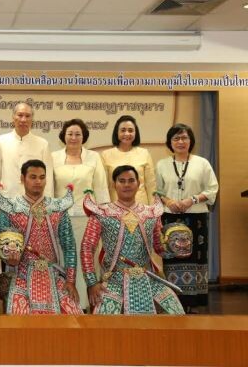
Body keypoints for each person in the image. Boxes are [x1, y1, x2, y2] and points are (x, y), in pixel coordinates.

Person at [81, 165, 185, 315]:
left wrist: (175, 247)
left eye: (131, 180)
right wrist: (91, 283)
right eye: (121, 181)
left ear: (138, 184)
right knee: (104, 324)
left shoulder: (151, 213)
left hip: (147, 277)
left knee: (176, 314)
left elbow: (159, 248)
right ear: (114, 185)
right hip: (114, 279)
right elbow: (87, 247)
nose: (127, 185)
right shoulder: (102, 213)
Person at [0, 159, 82, 315]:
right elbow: (2, 243)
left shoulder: (57, 208)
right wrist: (9, 259)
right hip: (20, 274)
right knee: (19, 318)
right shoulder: (10, 208)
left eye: (42, 177)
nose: (38, 181)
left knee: (73, 316)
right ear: (22, 179)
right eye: (33, 177)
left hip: (53, 275)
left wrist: (70, 280)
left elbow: (69, 246)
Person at [156, 123, 219, 313]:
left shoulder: (202, 163)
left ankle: (195, 301)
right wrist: (169, 201)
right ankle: (175, 301)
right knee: (173, 258)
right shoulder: (162, 164)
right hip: (170, 216)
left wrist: (191, 200)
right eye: (176, 138)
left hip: (197, 217)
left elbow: (212, 189)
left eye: (184, 138)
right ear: (170, 142)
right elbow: (157, 191)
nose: (181, 142)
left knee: (195, 258)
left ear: (191, 141)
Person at [51, 119, 110, 311]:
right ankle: (66, 303)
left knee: (87, 259)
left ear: (83, 137)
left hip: (88, 218)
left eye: (78, 134)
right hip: (61, 218)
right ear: (63, 136)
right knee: (64, 258)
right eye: (70, 134)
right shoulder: (53, 157)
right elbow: (49, 190)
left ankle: (86, 304)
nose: (74, 137)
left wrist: (105, 216)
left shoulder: (94, 157)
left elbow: (101, 188)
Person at [0, 101, 53, 198]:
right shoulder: (0, 142)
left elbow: (48, 177)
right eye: (20, 115)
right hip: (7, 200)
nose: (23, 119)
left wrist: (48, 204)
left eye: (27, 116)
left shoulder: (43, 144)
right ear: (13, 117)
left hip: (34, 202)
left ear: (32, 119)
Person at [101, 115, 156, 205]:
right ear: (117, 133)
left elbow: (151, 186)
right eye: (123, 130)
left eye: (130, 130)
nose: (127, 134)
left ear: (135, 133)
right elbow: (104, 186)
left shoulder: (144, 153)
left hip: (141, 208)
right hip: (115, 208)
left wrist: (153, 209)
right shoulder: (105, 155)